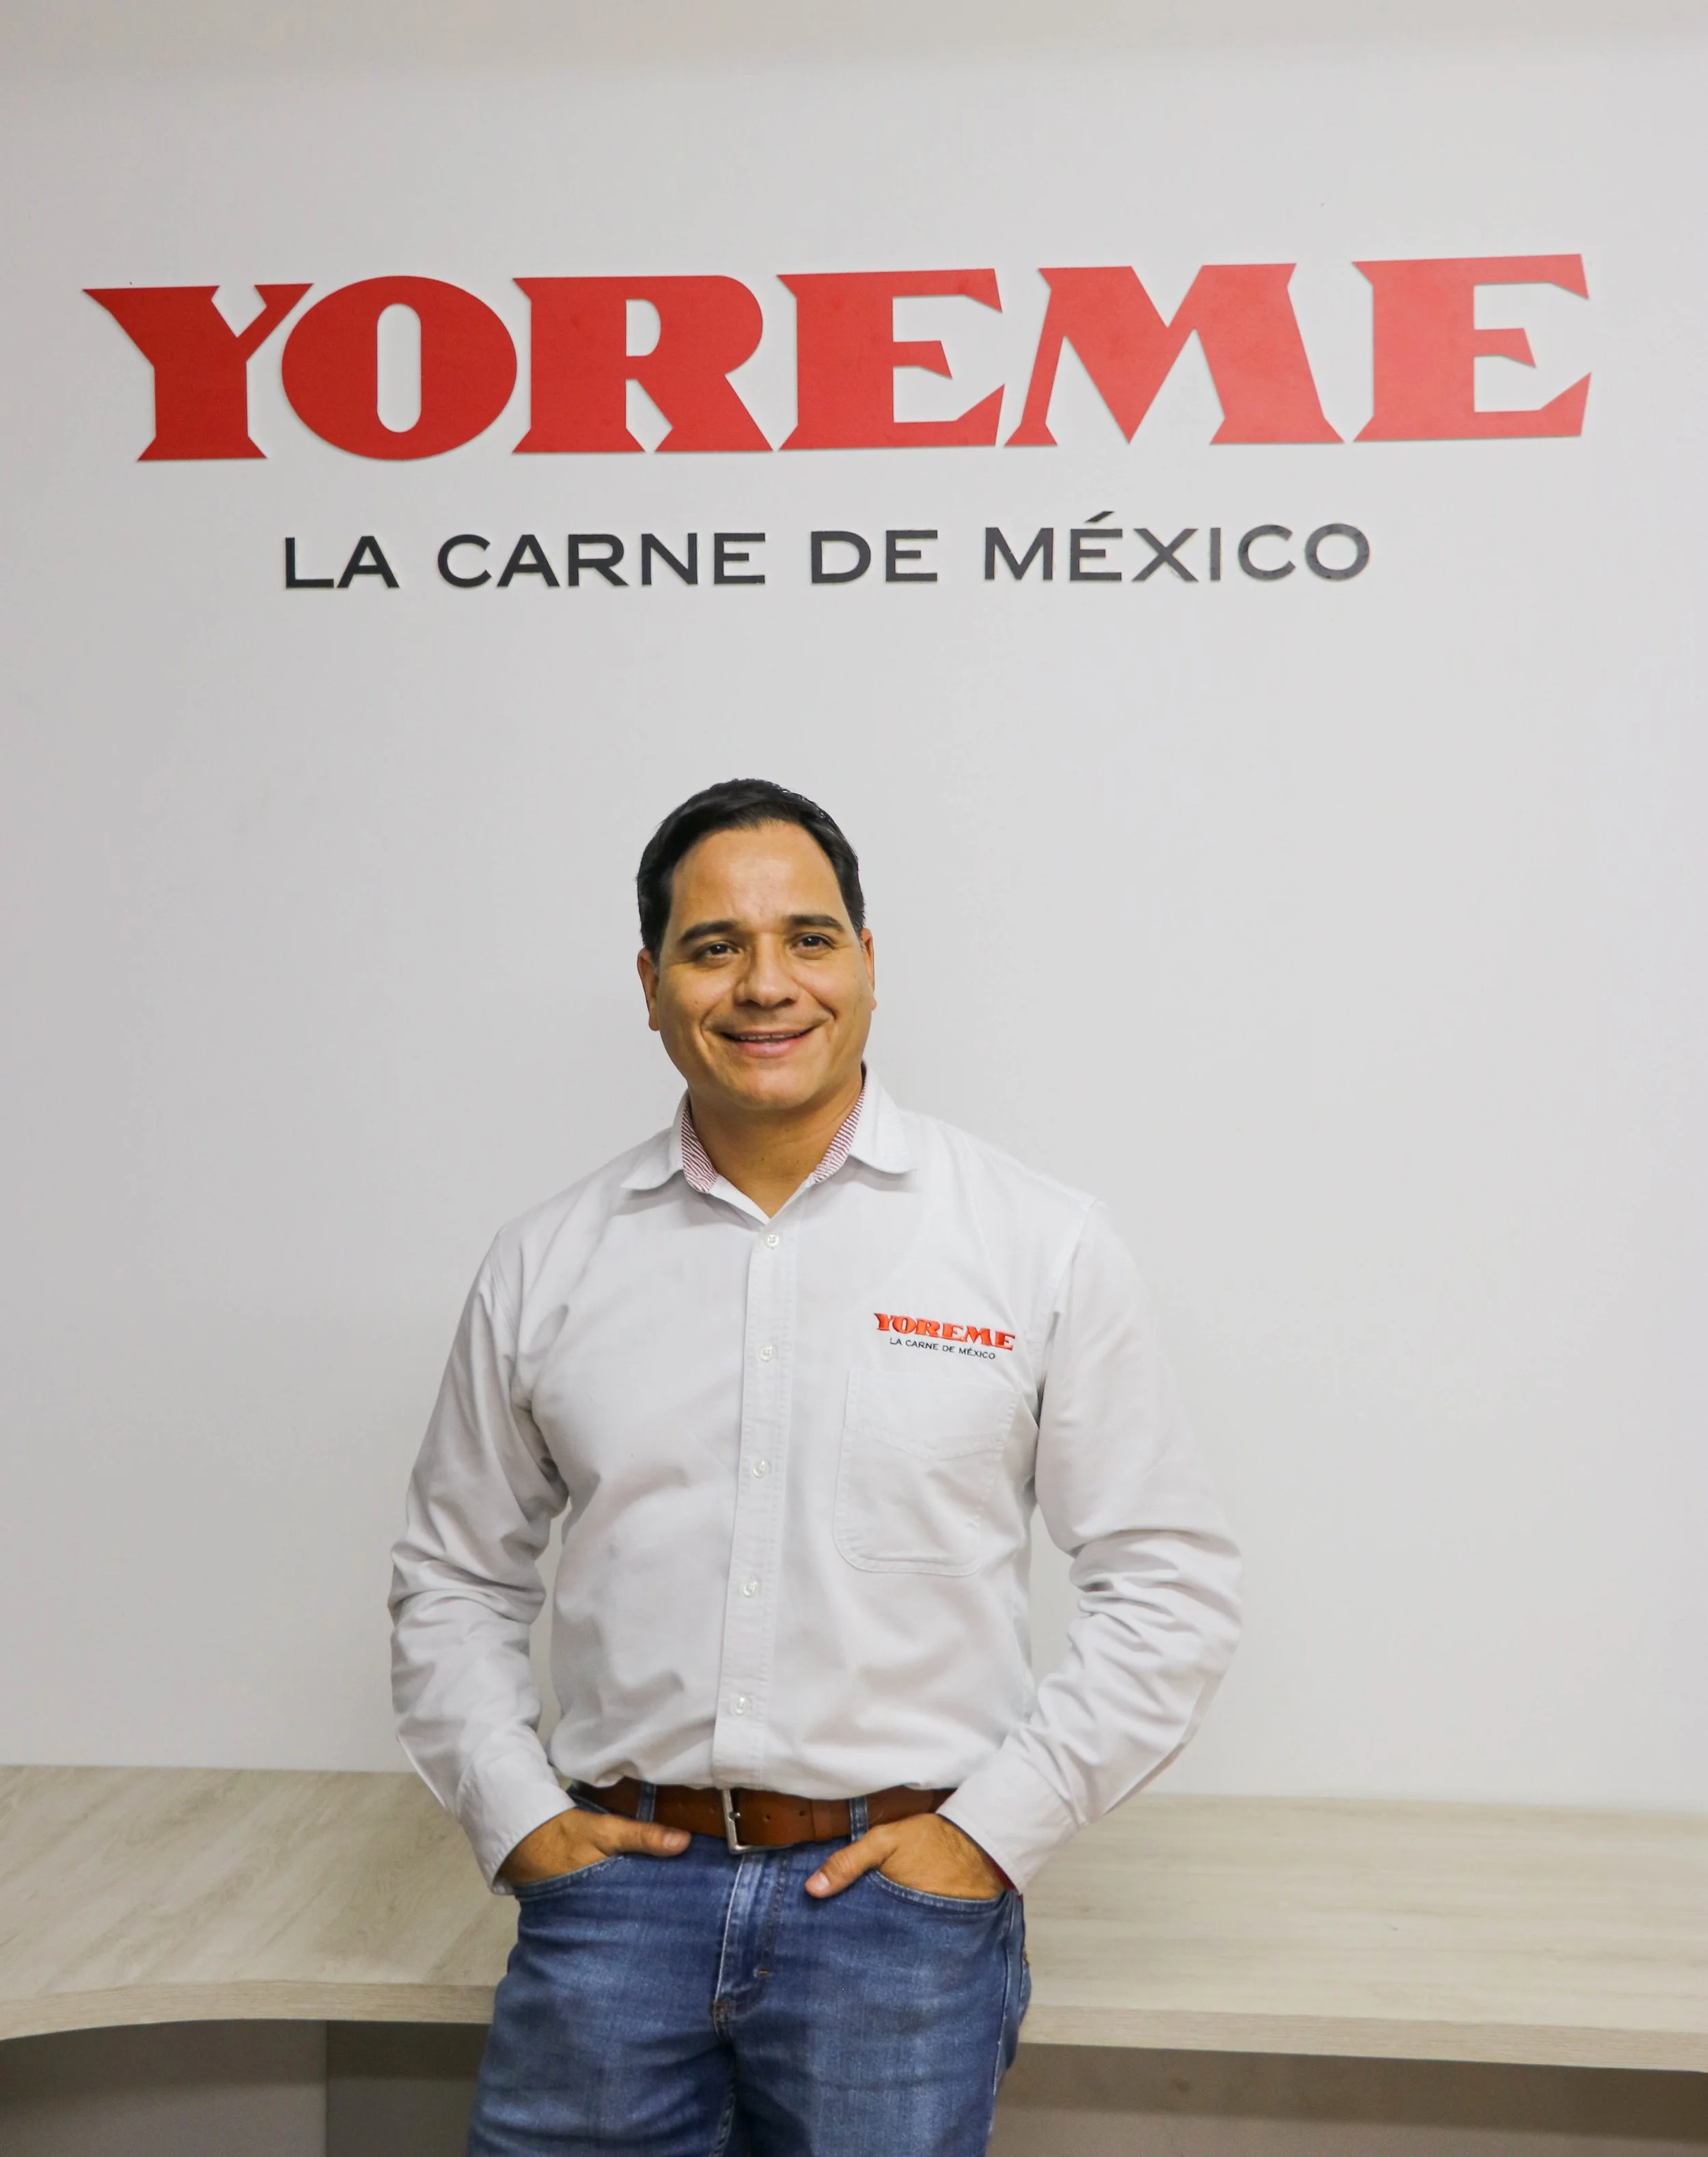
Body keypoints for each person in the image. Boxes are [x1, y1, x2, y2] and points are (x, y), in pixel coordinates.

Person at [389, 778, 1242, 2157]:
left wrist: (985, 1840)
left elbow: (1170, 1585)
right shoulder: (547, 1263)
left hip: (895, 1917)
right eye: (713, 946)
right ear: (652, 983)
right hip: (613, 1903)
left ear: (866, 964)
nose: (765, 984)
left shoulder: (1034, 1243)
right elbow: (450, 1575)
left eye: (808, 937)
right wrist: (520, 1821)